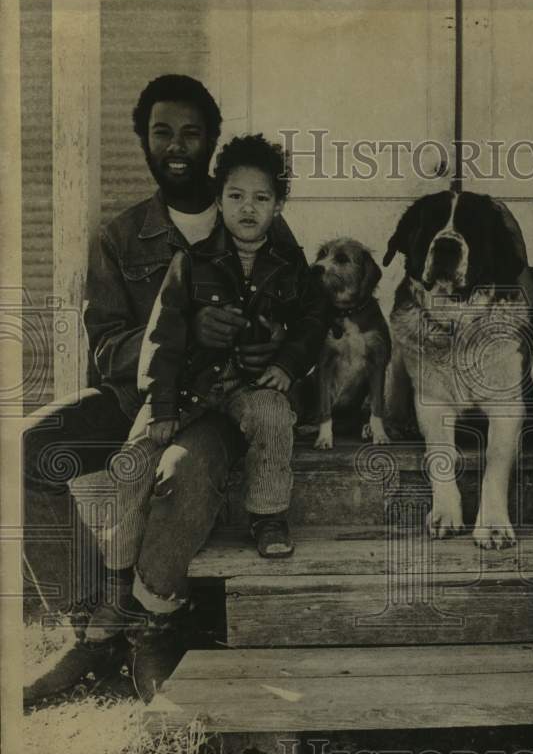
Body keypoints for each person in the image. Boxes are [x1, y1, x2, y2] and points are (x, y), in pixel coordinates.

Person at [23, 76, 300, 704]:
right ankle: (94, 625)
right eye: (162, 132)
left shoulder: (255, 218)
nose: (176, 146)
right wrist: (182, 333)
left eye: (191, 132)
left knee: (180, 471)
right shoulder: (121, 238)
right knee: (24, 452)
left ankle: (153, 626)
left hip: (221, 406)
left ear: (212, 140)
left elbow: (299, 319)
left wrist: (269, 351)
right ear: (144, 141)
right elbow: (105, 346)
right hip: (136, 397)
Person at [110, 133, 325, 573]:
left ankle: (267, 517)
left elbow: (314, 318)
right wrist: (162, 405)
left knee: (272, 415)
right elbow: (162, 336)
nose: (248, 208)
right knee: (134, 458)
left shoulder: (290, 264)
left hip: (251, 384)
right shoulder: (191, 262)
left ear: (278, 205)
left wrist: (287, 363)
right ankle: (115, 565)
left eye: (261, 197)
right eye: (236, 196)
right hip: (194, 382)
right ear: (219, 201)